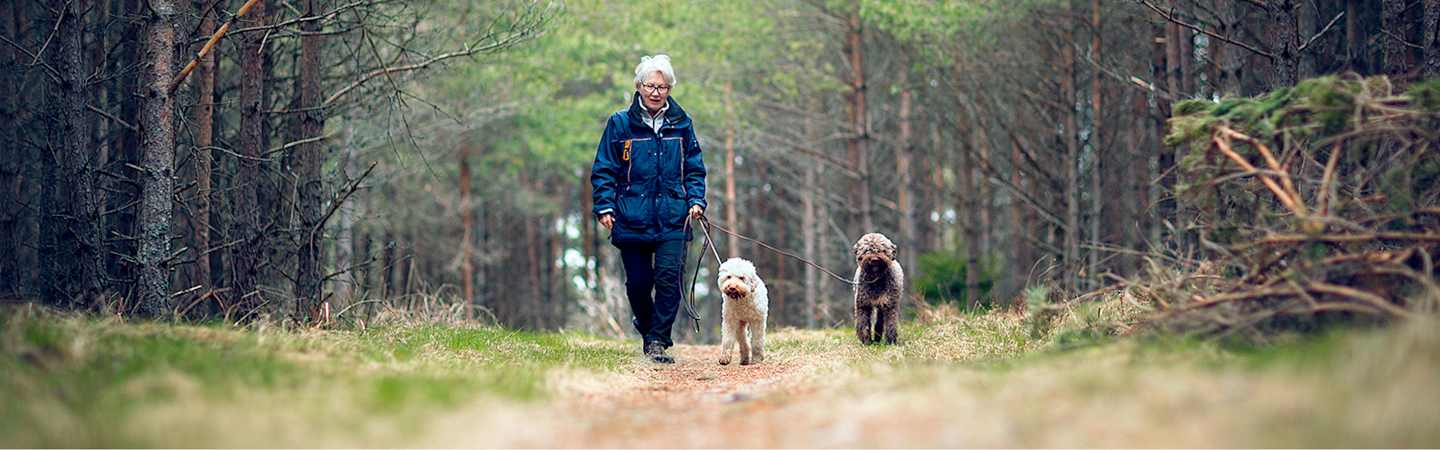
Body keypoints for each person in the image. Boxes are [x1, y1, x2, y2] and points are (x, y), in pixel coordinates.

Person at [590, 55, 707, 364]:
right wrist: (604, 205)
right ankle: (645, 324)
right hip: (631, 215)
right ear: (638, 87)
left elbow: (694, 168)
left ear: (670, 89)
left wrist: (696, 200)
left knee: (670, 279)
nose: (656, 92)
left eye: (663, 86)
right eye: (650, 86)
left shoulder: (682, 123)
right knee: (639, 283)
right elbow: (604, 169)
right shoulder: (619, 123)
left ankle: (656, 340)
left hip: (673, 216)